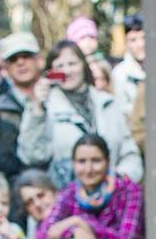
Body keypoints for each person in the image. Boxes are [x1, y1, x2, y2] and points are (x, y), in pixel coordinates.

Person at [17, 41, 143, 189]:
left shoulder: (108, 103)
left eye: (72, 64)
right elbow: (31, 155)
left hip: (113, 193)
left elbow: (129, 152)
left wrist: (120, 180)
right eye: (60, 66)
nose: (67, 71)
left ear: (83, 65)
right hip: (67, 196)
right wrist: (38, 109)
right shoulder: (47, 107)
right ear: (51, 72)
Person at [112, 15, 148, 116]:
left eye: (143, 38)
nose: (140, 44)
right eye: (133, 40)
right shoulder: (120, 73)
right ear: (126, 42)